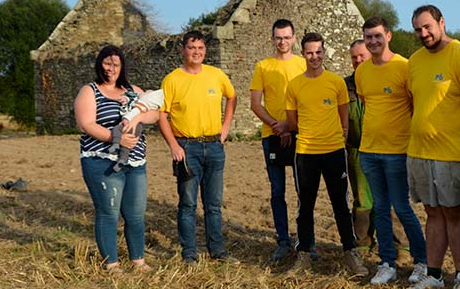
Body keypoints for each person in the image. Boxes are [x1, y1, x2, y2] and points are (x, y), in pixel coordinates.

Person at [405, 5, 460, 289]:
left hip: (456, 152)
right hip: (421, 151)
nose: (423, 34)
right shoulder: (414, 61)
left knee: (455, 213)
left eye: (427, 27)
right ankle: (434, 275)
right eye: (417, 29)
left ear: (442, 22)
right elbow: (416, 102)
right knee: (433, 213)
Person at [284, 32, 368, 276]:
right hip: (305, 153)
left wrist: (336, 136)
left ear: (324, 53)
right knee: (305, 206)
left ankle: (351, 253)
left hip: (333, 152)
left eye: (318, 52)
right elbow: (292, 121)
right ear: (303, 54)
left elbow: (344, 118)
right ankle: (303, 256)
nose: (314, 57)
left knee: (341, 204)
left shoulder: (336, 82)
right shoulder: (295, 85)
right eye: (310, 52)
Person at [356, 17, 429, 287]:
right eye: (368, 37)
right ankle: (387, 263)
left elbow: (414, 104)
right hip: (368, 151)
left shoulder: (404, 67)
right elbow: (368, 104)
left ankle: (421, 262)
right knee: (379, 209)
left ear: (389, 35)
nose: (373, 41)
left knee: (402, 208)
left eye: (377, 36)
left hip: (397, 152)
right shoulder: (362, 72)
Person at [74, 45, 160, 274]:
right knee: (108, 212)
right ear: (99, 64)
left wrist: (137, 112)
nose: (111, 68)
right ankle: (112, 264)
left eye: (116, 64)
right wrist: (117, 138)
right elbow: (86, 124)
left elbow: (156, 113)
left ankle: (138, 261)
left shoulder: (133, 90)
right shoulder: (89, 91)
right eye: (107, 63)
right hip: (101, 161)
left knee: (135, 213)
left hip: (135, 163)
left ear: (122, 67)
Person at [158, 31, 238, 264]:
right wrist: (173, 145)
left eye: (201, 48)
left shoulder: (216, 75)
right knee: (188, 204)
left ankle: (218, 250)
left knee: (213, 204)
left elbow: (232, 97)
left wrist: (225, 128)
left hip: (214, 146)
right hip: (186, 148)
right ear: (183, 50)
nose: (197, 52)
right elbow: (162, 115)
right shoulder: (172, 79)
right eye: (192, 48)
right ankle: (189, 253)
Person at [250, 19, 307, 261]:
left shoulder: (304, 64)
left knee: (303, 190)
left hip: (300, 135)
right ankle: (283, 240)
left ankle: (305, 240)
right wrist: (277, 125)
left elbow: (308, 99)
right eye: (278, 38)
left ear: (294, 38)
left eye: (286, 37)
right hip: (271, 136)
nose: (282, 42)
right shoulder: (263, 66)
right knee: (277, 191)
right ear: (272, 39)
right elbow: (255, 104)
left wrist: (290, 126)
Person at [344, 39, 377, 249]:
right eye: (354, 57)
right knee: (362, 199)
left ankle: (401, 248)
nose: (358, 60)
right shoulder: (345, 85)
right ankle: (363, 244)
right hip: (356, 150)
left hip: (385, 147)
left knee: (390, 200)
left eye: (361, 56)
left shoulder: (383, 78)